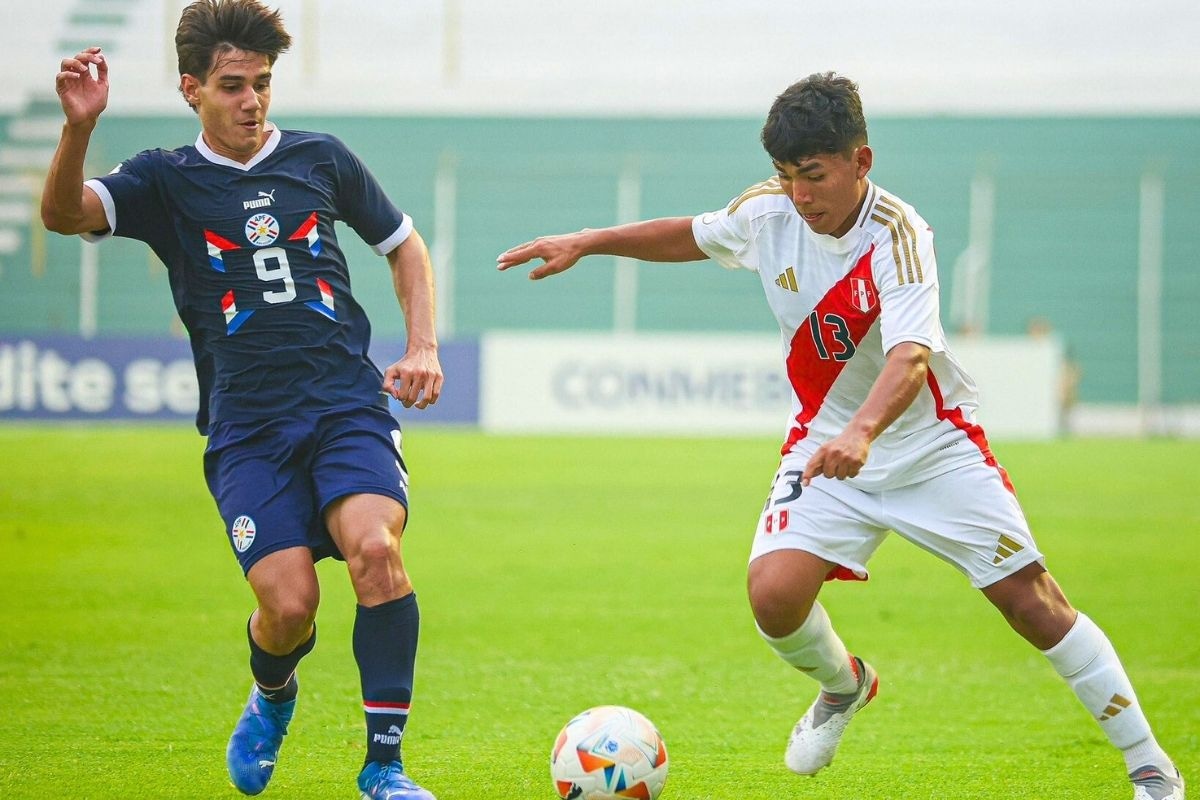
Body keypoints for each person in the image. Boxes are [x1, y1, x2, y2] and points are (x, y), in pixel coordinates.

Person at [497, 72, 1184, 800]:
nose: (800, 194)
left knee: (1032, 602)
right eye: (787, 176)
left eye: (815, 175)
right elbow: (692, 235)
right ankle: (844, 684)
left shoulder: (900, 234)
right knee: (774, 595)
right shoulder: (768, 213)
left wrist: (863, 433)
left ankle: (1151, 771)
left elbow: (911, 357)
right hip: (826, 440)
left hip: (931, 449)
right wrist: (590, 241)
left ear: (862, 161)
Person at [42, 2, 442, 798]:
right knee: (288, 607)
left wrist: (422, 345)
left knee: (376, 551)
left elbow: (404, 245)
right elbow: (62, 215)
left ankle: (385, 768)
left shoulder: (320, 158)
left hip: (344, 407)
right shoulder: (163, 180)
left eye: (261, 84)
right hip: (247, 431)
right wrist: (79, 129)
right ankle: (273, 692)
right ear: (192, 90)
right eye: (232, 86)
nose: (252, 101)